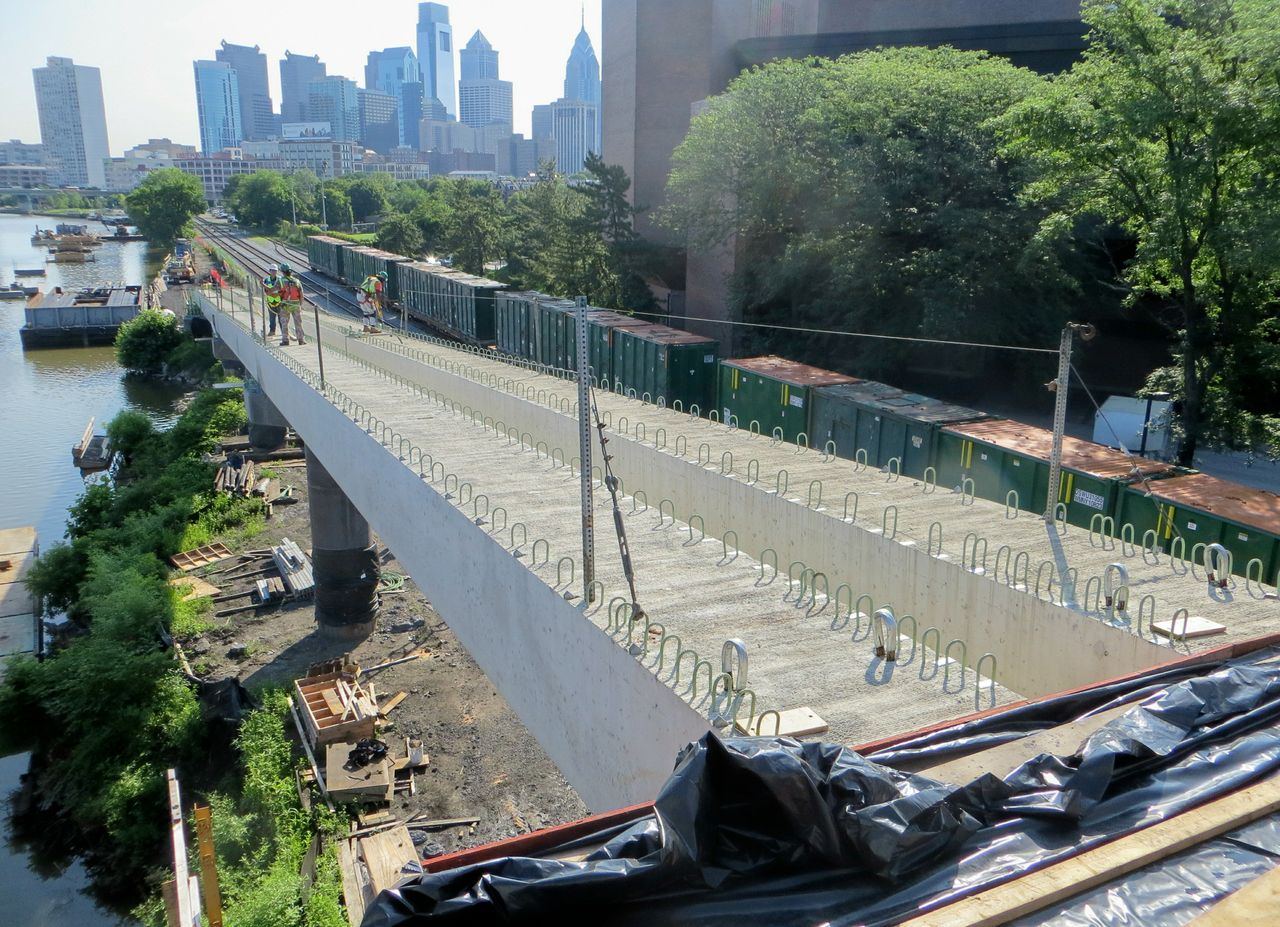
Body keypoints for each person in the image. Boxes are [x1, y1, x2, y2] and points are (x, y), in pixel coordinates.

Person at [277, 262, 305, 346]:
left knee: (284, 323)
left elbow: (274, 291)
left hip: (285, 305)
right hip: (296, 304)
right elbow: (301, 294)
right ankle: (301, 340)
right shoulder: (296, 281)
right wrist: (300, 304)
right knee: (298, 322)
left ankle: (285, 340)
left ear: (282, 271)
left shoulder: (280, 281)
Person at [261, 264, 284, 336]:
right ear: (270, 271)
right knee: (272, 318)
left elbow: (282, 291)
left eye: (275, 270)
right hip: (270, 302)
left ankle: (283, 332)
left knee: (281, 318)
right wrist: (271, 294)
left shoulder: (280, 279)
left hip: (279, 302)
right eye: (272, 270)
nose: (274, 272)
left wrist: (273, 294)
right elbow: (266, 291)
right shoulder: (266, 280)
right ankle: (272, 331)